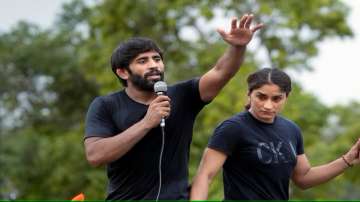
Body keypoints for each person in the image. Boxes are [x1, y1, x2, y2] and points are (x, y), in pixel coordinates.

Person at [84, 14, 263, 200]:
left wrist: (238, 47)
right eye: (142, 61)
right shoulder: (105, 105)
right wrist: (146, 123)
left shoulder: (184, 95)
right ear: (122, 72)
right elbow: (95, 155)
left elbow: (221, 72)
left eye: (156, 59)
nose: (154, 65)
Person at [190, 68, 360, 200]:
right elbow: (205, 175)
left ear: (286, 97)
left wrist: (348, 159)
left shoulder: (291, 130)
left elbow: (304, 178)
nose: (268, 105)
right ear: (249, 94)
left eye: (276, 99)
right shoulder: (232, 128)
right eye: (261, 97)